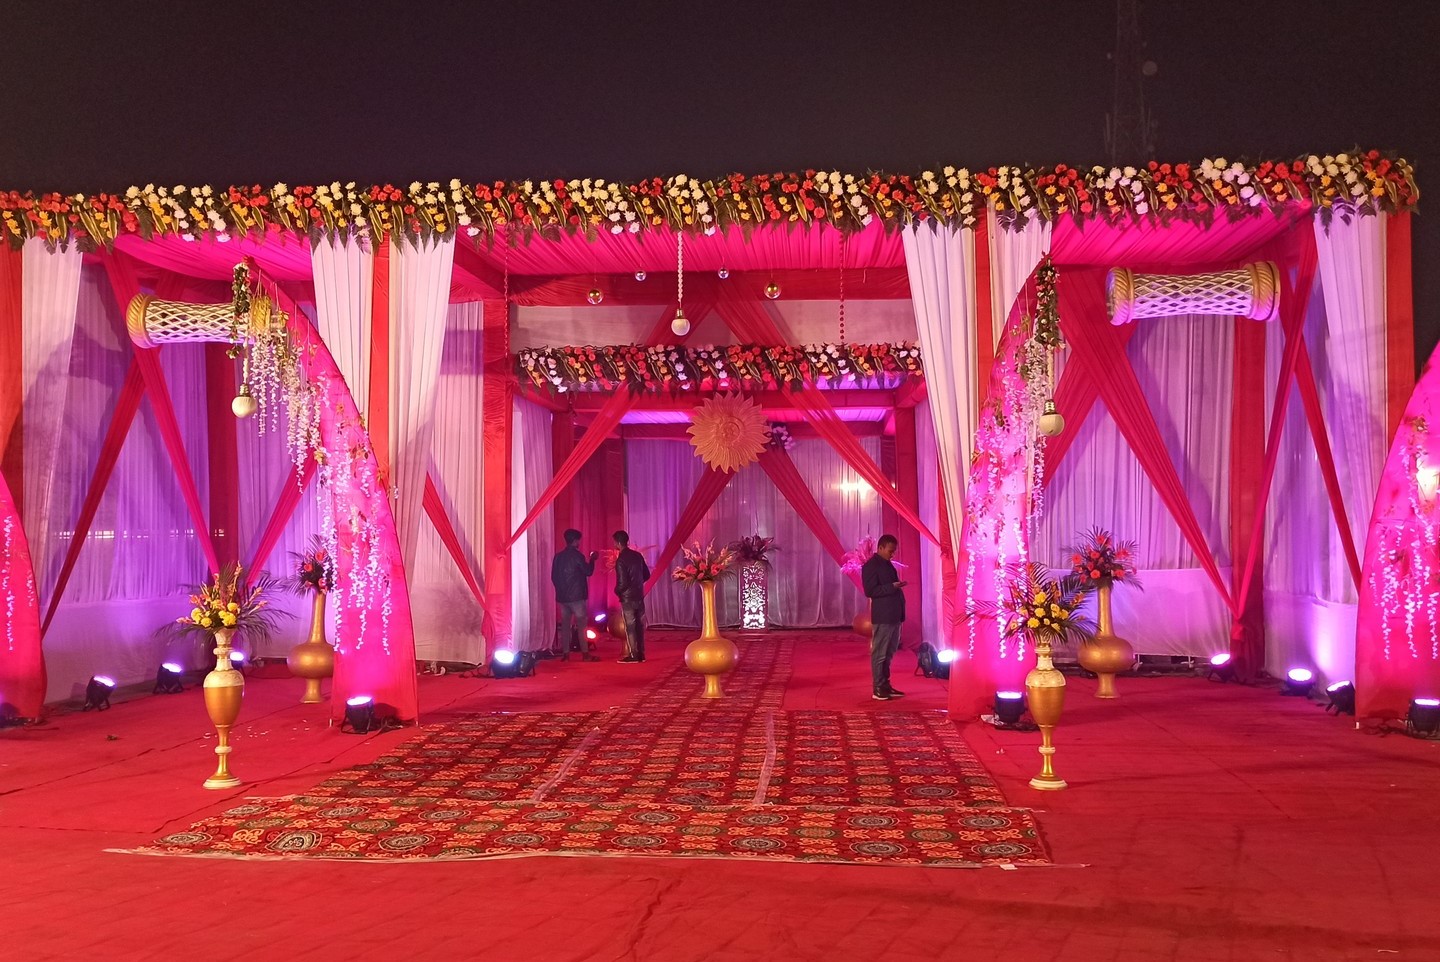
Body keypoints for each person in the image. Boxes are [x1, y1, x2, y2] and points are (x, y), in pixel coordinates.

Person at [861, 533, 907, 700]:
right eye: (890, 551)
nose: (892, 554)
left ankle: (885, 684)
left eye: (894, 551)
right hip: (883, 616)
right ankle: (878, 687)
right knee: (880, 653)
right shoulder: (871, 566)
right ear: (880, 548)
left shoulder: (887, 564)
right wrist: (892, 587)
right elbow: (870, 591)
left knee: (889, 652)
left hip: (894, 615)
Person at [550, 528, 598, 661]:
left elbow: (553, 577)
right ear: (576, 541)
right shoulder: (578, 556)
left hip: (562, 596)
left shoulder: (558, 557)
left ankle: (566, 654)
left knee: (565, 626)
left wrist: (560, 589)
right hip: (577, 597)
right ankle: (585, 654)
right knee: (582, 625)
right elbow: (588, 571)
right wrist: (592, 560)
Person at [612, 530, 650, 663]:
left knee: (630, 626)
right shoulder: (637, 556)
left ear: (617, 543)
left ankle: (633, 654)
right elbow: (647, 575)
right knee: (639, 625)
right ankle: (641, 654)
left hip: (628, 597)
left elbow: (622, 583)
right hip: (639, 594)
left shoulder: (621, 560)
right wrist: (637, 584)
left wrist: (617, 591)